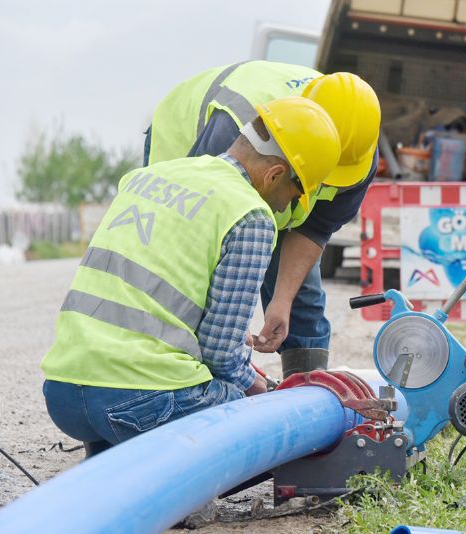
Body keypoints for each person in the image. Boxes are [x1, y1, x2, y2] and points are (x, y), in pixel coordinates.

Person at [41, 96, 341, 457]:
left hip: (63, 394)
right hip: (139, 401)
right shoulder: (251, 215)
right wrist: (264, 389)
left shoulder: (145, 178)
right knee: (257, 411)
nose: (289, 206)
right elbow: (220, 356)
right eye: (296, 192)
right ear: (275, 174)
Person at [145, 61, 381, 378]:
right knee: (185, 290)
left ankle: (307, 391)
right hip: (188, 146)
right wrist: (225, 322)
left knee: (302, 298)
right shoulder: (242, 130)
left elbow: (315, 228)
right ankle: (182, 380)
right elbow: (199, 237)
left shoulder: (357, 151)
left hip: (274, 164)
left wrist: (281, 300)